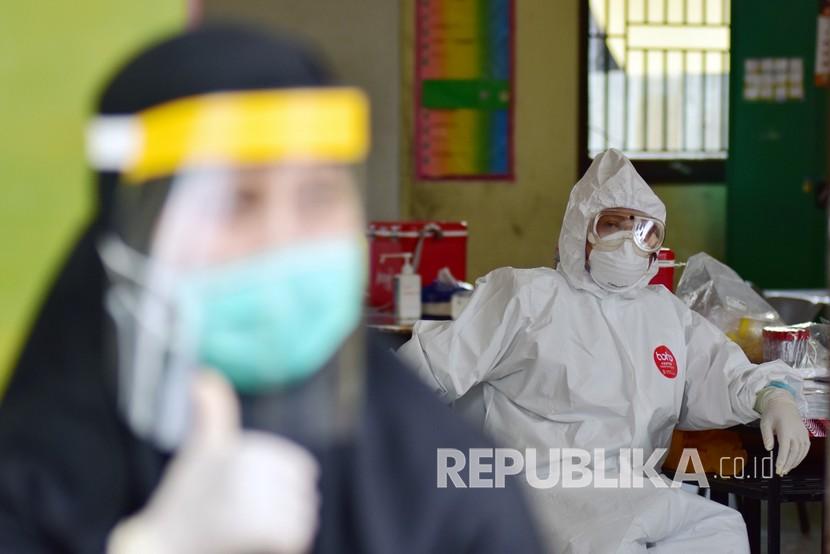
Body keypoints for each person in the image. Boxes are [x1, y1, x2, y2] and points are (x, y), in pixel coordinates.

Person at [0, 25, 543, 553]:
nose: (282, 240)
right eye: (235, 201)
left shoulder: (438, 483)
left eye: (317, 196)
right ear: (132, 230)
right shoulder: (31, 474)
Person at [398, 148, 810, 553]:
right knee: (615, 543)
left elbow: (720, 370)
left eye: (644, 231)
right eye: (611, 226)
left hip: (634, 486)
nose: (629, 243)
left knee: (720, 531)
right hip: (536, 488)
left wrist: (772, 394)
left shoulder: (663, 314)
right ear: (581, 231)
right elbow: (426, 370)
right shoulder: (525, 296)